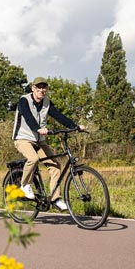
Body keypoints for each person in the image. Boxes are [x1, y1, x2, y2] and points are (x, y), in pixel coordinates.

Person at [12, 76, 85, 211]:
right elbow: (28, 118)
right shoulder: (24, 100)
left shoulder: (46, 102)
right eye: (38, 87)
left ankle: (55, 198)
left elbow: (59, 116)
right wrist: (38, 128)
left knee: (55, 166)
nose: (41, 90)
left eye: (44, 87)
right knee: (33, 158)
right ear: (33, 88)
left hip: (39, 140)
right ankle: (25, 185)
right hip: (22, 138)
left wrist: (75, 126)